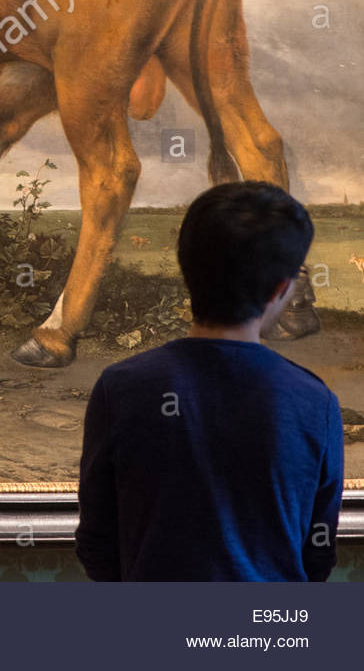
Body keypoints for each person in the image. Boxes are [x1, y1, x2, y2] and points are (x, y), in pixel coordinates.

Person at [76, 181, 344, 581]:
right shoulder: (315, 402)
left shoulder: (121, 388)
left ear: (185, 268)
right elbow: (316, 556)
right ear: (281, 290)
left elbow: (98, 545)